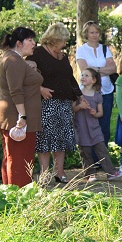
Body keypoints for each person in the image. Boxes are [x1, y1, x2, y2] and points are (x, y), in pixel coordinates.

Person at [27, 22, 82, 183]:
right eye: (63, 41)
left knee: (62, 139)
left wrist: (79, 95)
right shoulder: (36, 54)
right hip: (46, 104)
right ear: (54, 39)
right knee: (45, 139)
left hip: (64, 103)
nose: (65, 44)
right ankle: (44, 174)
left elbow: (69, 78)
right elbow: (26, 75)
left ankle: (60, 172)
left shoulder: (63, 56)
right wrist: (40, 88)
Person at [0, 27, 43, 187]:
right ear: (19, 43)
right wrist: (22, 116)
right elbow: (16, 90)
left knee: (13, 157)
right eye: (30, 40)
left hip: (17, 116)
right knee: (19, 160)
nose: (34, 43)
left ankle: (11, 194)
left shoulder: (15, 59)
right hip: (16, 118)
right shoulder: (14, 60)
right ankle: (19, 198)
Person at [72, 68, 122, 183]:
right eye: (82, 75)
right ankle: (89, 174)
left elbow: (101, 113)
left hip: (94, 128)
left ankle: (111, 172)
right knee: (85, 152)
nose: (83, 77)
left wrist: (95, 113)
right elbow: (73, 109)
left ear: (94, 80)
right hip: (82, 128)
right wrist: (80, 106)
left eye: (86, 75)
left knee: (102, 149)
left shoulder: (97, 96)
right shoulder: (77, 95)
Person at [75, 21, 117, 147]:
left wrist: (95, 70)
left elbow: (113, 68)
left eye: (97, 32)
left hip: (106, 90)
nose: (95, 35)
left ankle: (103, 156)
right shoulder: (82, 50)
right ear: (86, 34)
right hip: (89, 92)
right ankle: (90, 157)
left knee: (104, 124)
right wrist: (102, 70)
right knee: (89, 124)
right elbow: (85, 70)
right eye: (92, 32)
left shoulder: (105, 49)